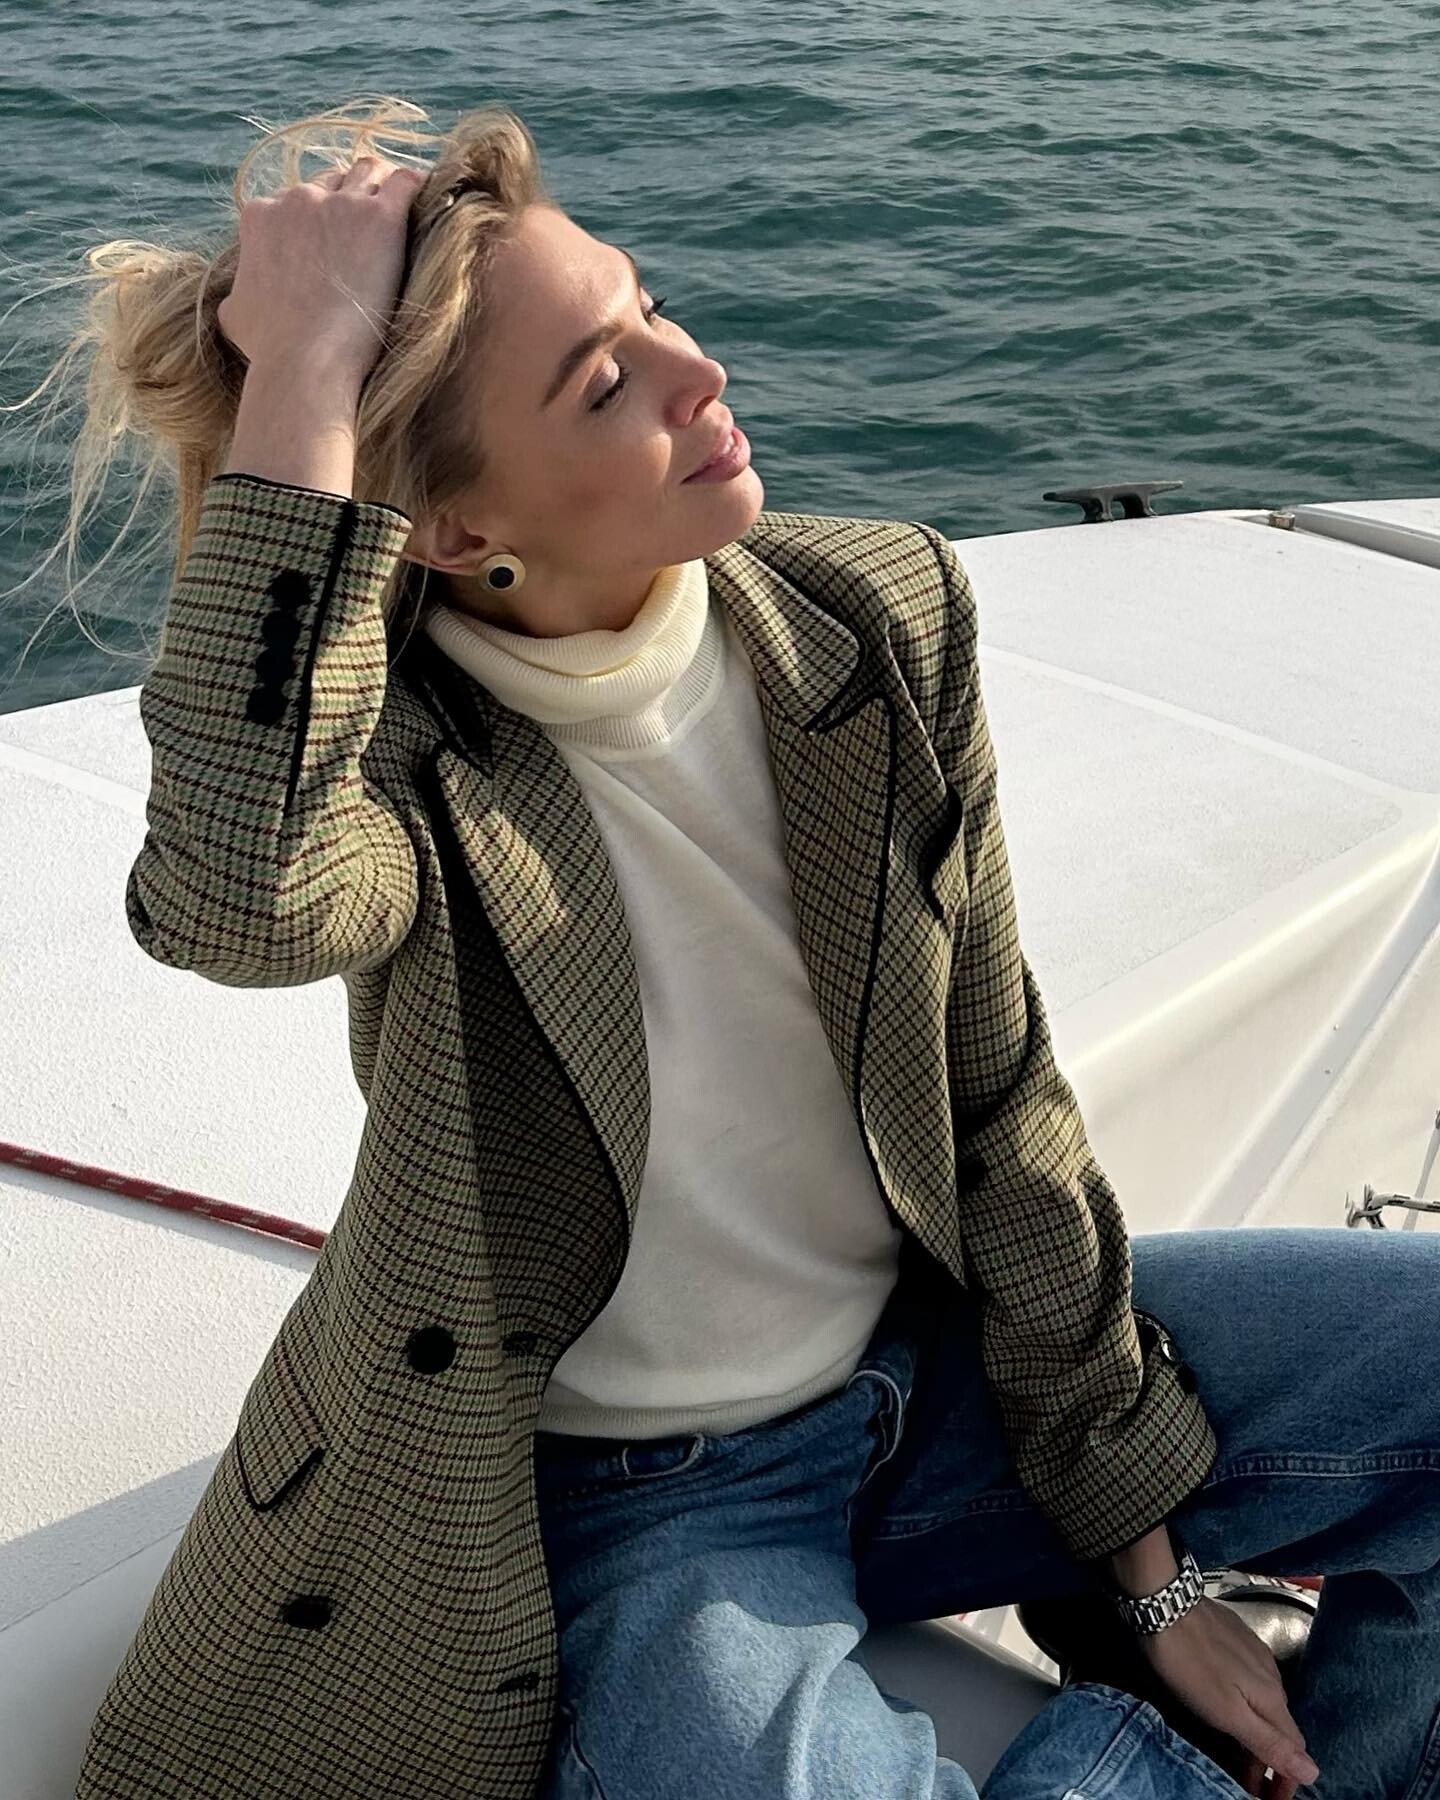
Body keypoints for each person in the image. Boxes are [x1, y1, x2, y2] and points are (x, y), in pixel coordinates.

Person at [34, 96, 1435, 1798]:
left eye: (651, 310)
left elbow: (997, 1103)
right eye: (602, 385)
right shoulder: (402, 760)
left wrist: (1149, 1575)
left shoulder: (875, 616)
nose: (697, 373)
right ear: (460, 535)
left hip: (931, 1381)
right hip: (651, 1500)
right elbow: (232, 895)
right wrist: (308, 371)